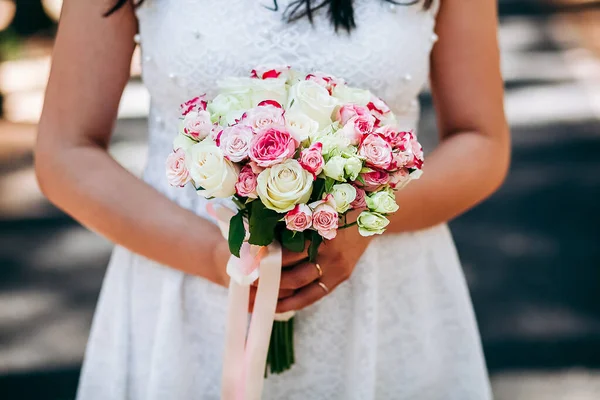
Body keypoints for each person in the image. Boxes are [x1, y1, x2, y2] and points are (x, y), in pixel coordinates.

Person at [35, 0, 509, 398]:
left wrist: (363, 220)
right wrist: (214, 254)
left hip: (384, 290)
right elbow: (65, 152)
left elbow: (482, 140)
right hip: (182, 294)